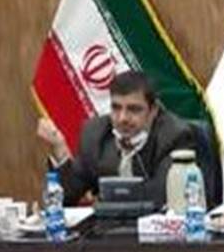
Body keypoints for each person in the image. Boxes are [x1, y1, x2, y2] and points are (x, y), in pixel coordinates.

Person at [35, 69, 196, 207]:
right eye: (116, 108)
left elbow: (161, 196)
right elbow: (65, 199)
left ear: (153, 111)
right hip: (107, 231)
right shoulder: (96, 134)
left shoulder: (175, 136)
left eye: (133, 109)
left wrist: (105, 198)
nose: (122, 118)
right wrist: (60, 148)